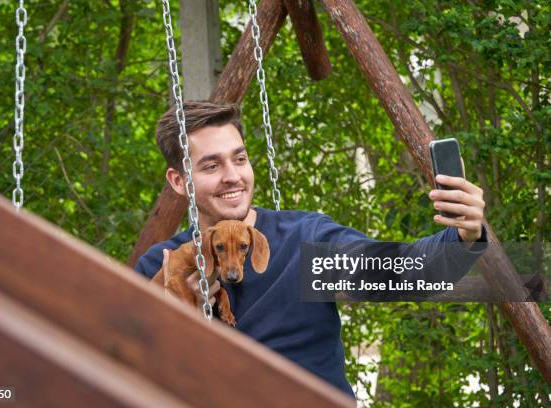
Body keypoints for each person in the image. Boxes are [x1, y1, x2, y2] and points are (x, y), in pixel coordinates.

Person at [134, 100, 487, 397]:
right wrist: (177, 327)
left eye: (239, 159)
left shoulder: (305, 242)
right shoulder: (162, 266)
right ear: (178, 181)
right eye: (211, 165)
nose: (232, 176)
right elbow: (126, 377)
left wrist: (463, 237)